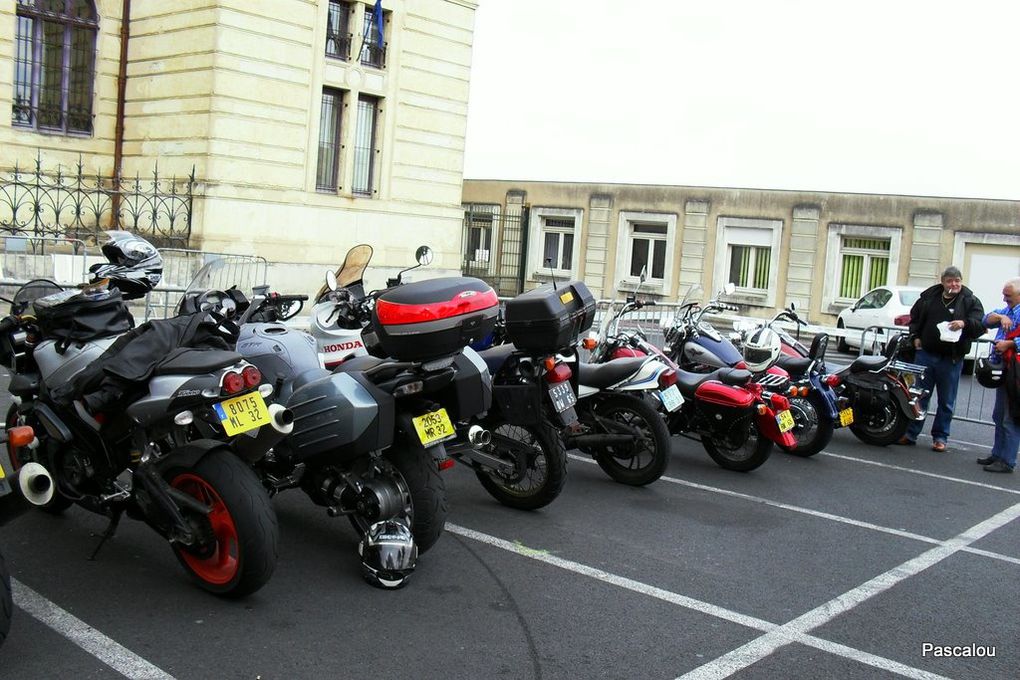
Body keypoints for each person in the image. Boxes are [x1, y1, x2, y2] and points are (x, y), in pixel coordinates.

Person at [897, 266, 985, 451]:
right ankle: (910, 433)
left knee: (946, 401)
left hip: (951, 358)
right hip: (926, 354)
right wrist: (916, 338)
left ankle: (940, 437)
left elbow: (980, 325)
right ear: (942, 282)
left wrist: (964, 323)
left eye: (957, 281)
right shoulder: (929, 298)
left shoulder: (970, 301)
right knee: (918, 396)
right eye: (950, 281)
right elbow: (914, 320)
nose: (954, 284)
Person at [976, 278, 1020, 473]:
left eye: (1008, 296)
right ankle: (998, 453)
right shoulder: (1009, 311)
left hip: (1016, 370)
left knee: (1010, 417)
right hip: (1006, 368)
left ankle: (1007, 460)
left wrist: (1010, 344)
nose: (1004, 299)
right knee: (999, 414)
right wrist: (999, 317)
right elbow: (985, 319)